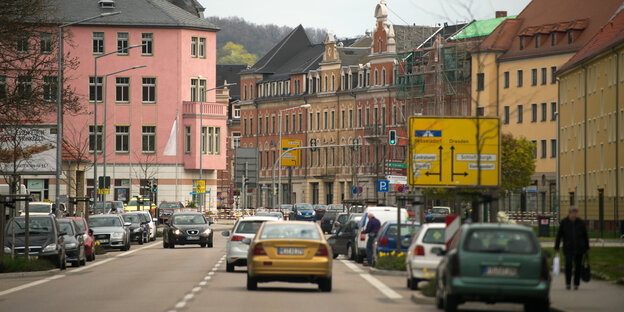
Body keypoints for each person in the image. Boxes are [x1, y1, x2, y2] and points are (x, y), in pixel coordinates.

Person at [555, 206, 589, 290]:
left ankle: (576, 283)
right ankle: (568, 283)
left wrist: (587, 247)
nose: (574, 215)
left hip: (579, 248)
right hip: (568, 248)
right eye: (572, 213)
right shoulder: (564, 222)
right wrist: (557, 246)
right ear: (569, 213)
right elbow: (559, 235)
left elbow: (585, 236)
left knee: (578, 266)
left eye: (575, 213)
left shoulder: (580, 223)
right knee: (568, 265)